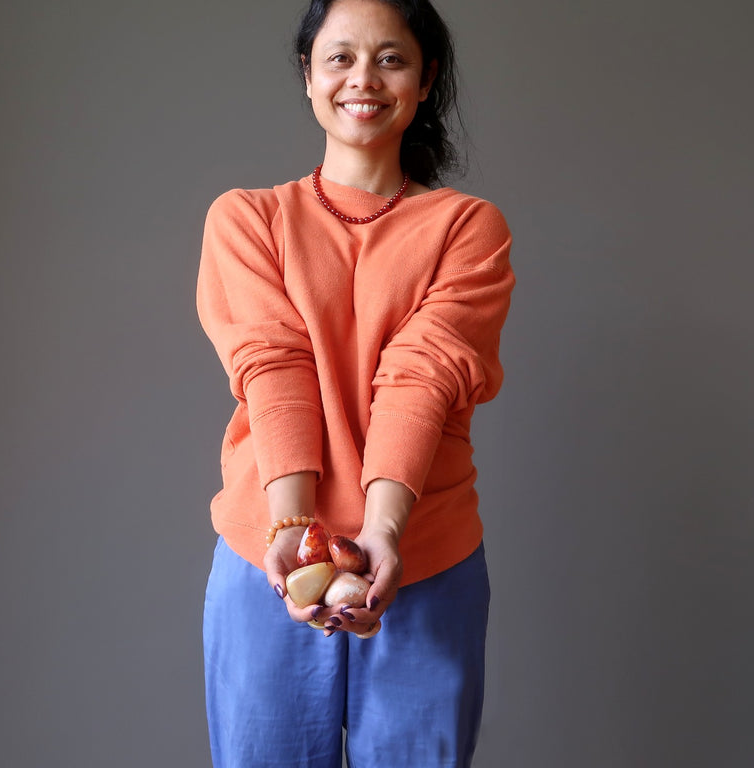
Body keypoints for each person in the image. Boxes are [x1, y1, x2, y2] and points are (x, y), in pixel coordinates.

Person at [196, 0, 515, 765]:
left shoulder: (468, 229)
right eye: (339, 57)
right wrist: (293, 537)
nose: (362, 79)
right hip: (264, 560)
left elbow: (424, 377)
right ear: (307, 75)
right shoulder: (248, 219)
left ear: (426, 78)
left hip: (426, 559)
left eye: (391, 58)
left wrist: (382, 534)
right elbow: (274, 368)